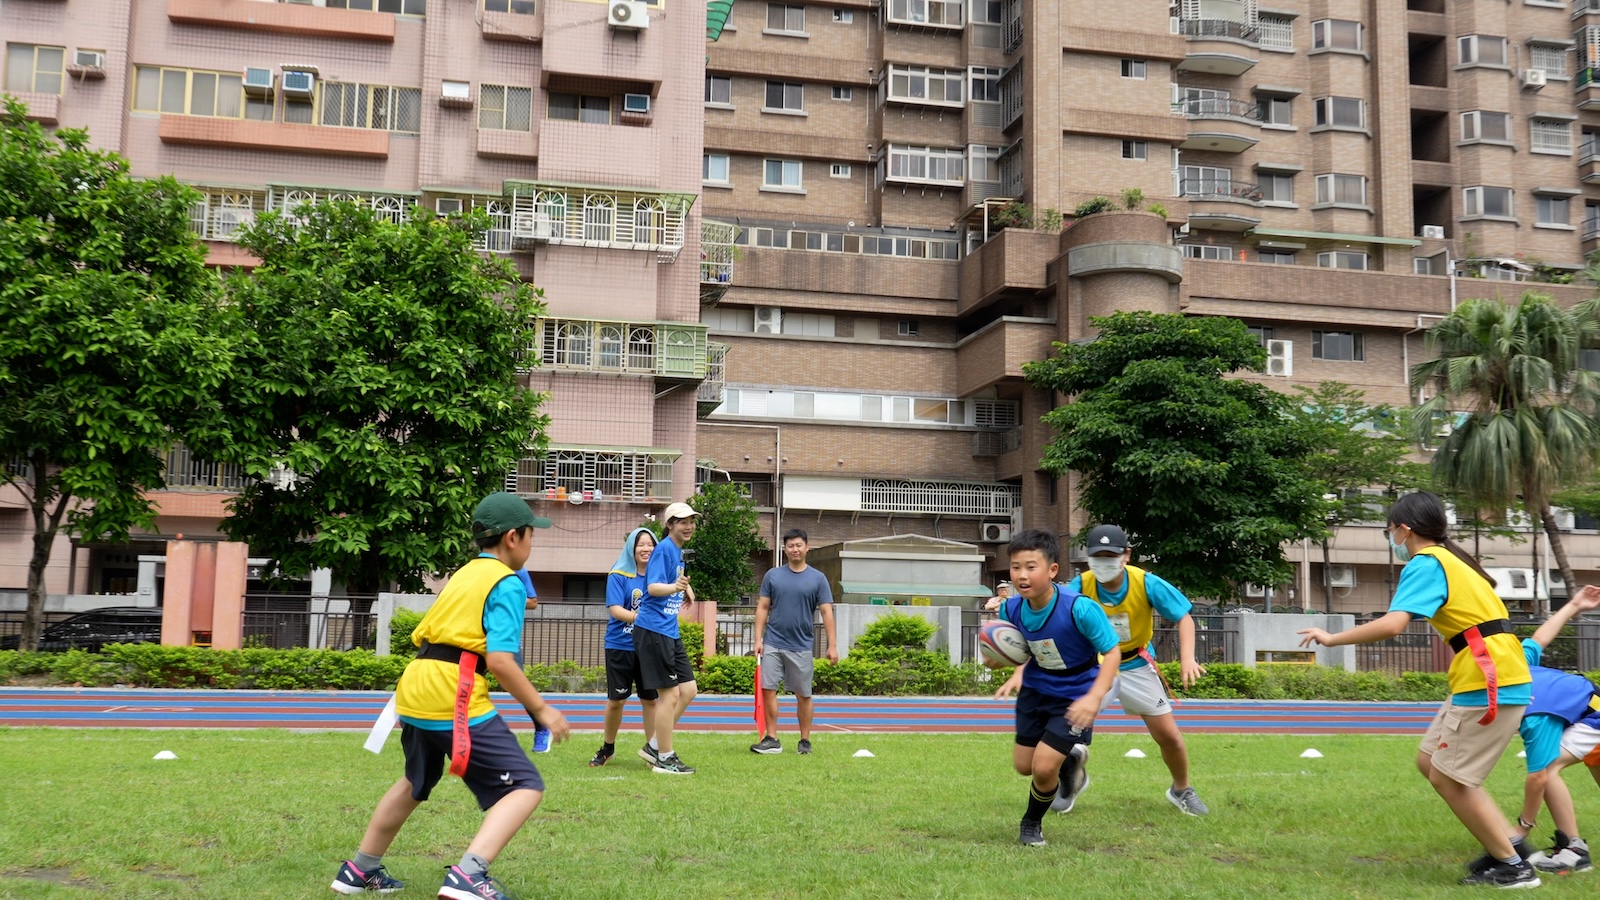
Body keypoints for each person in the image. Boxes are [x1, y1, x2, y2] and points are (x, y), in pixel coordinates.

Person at [331, 492, 571, 900]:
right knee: (525, 786)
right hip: (451, 688)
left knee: (414, 781)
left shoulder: (465, 573)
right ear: (513, 538)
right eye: (532, 534)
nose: (533, 543)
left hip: (417, 683)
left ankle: (359, 869)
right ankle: (468, 876)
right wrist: (543, 709)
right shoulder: (507, 583)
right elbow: (500, 660)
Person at [1298, 491, 1537, 889]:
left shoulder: (1427, 562)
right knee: (1430, 761)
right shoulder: (1453, 560)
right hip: (1489, 673)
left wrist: (1332, 638)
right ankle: (1509, 844)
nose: (1390, 537)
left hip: (1488, 678)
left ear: (1404, 530)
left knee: (1450, 779)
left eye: (1389, 529)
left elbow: (1393, 624)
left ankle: (1514, 867)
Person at [1010, 524, 1211, 816]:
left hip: (1137, 662)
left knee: (1168, 735)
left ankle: (1181, 789)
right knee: (1068, 716)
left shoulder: (1146, 582)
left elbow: (1184, 617)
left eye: (1110, 555)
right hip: (1097, 664)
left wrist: (1188, 658)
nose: (1103, 562)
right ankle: (1069, 769)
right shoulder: (1081, 585)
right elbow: (1050, 620)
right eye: (1097, 556)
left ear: (1126, 555)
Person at [990, 528, 1121, 847]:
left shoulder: (1080, 608)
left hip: (1075, 694)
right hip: (1036, 691)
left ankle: (1031, 823)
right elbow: (1019, 649)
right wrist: (999, 662)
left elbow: (1113, 652)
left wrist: (1094, 697)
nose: (1022, 575)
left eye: (1031, 567)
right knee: (1024, 766)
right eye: (1016, 567)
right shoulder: (1011, 609)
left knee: (1043, 767)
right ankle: (1071, 763)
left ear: (1052, 570)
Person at [1507, 584, 1600, 874]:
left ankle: (1574, 850)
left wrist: (1522, 828)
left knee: (1547, 770)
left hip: (1593, 718)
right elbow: (1539, 638)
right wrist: (1573, 605)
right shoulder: (1514, 665)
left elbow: (1537, 777)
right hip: (1590, 711)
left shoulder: (1534, 712)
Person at [751, 528, 839, 755]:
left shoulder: (818, 578)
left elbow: (827, 612)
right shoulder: (773, 575)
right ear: (785, 549)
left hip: (801, 645)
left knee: (804, 694)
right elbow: (762, 607)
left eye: (799, 545)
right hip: (773, 642)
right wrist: (758, 639)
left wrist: (832, 645)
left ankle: (805, 740)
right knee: (768, 689)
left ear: (807, 547)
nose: (795, 549)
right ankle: (771, 738)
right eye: (790, 546)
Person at [636, 501, 701, 775]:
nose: (688, 526)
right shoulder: (663, 549)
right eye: (682, 521)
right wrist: (675, 586)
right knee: (669, 695)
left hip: (668, 631)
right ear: (670, 524)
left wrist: (684, 589)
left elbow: (670, 582)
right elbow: (651, 586)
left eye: (691, 521)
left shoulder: (677, 550)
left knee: (688, 690)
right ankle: (664, 757)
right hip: (653, 630)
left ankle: (654, 746)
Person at [588, 527, 660, 767]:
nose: (646, 548)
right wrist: (640, 618)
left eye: (650, 544)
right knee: (616, 701)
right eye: (641, 544)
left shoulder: (659, 576)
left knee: (650, 700)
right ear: (631, 547)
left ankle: (654, 751)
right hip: (620, 645)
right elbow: (616, 610)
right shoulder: (618, 574)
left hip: (649, 646)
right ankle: (607, 748)